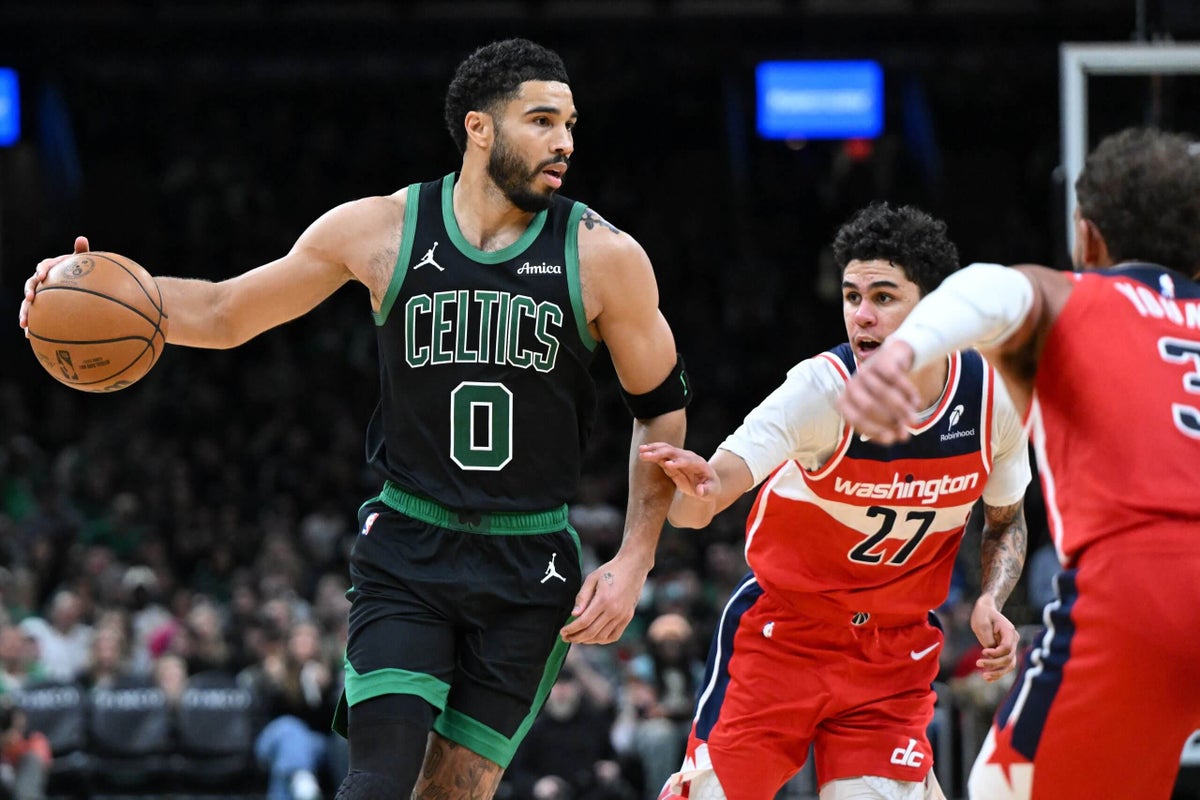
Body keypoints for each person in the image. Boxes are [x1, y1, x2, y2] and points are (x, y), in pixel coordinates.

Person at [19, 37, 689, 800]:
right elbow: (226, 310)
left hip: (529, 562)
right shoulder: (381, 229)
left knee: (450, 795)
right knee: (374, 785)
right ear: (479, 127)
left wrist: (636, 559)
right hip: (409, 547)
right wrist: (87, 286)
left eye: (570, 124)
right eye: (542, 121)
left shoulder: (605, 256)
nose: (564, 141)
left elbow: (662, 412)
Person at [836, 126, 1200, 800]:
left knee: (1003, 785)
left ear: (1087, 237)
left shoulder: (1071, 295)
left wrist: (903, 353)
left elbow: (987, 290)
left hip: (1144, 585)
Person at [639, 201, 1032, 800]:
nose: (861, 316)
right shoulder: (821, 389)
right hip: (784, 637)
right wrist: (700, 489)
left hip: (893, 655)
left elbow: (1006, 521)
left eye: (883, 297)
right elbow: (713, 488)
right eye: (852, 297)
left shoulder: (993, 398)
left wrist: (991, 599)